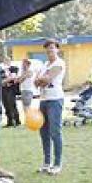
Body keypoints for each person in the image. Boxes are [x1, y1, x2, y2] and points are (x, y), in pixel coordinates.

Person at [34, 38, 66, 174]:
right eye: (47, 48)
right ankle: (47, 163)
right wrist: (41, 80)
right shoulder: (45, 64)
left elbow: (47, 79)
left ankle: (57, 164)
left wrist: (43, 79)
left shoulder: (60, 63)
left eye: (52, 47)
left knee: (55, 132)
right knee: (44, 132)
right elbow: (36, 82)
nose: (50, 50)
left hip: (55, 99)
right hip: (43, 99)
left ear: (57, 49)